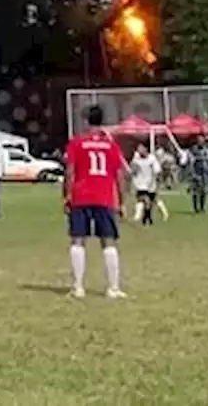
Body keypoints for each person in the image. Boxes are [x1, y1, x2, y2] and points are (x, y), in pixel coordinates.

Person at [64, 105, 130, 299]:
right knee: (108, 241)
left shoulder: (77, 143)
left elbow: (70, 171)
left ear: (86, 121)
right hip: (104, 197)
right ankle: (113, 288)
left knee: (78, 239)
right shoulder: (111, 145)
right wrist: (122, 201)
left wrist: (67, 195)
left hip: (81, 196)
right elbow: (120, 175)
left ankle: (78, 287)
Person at [128, 144, 165, 224]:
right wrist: (133, 171)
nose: (139, 150)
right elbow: (133, 170)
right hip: (140, 184)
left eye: (141, 148)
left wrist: (158, 181)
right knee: (144, 200)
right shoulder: (136, 159)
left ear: (145, 149)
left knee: (151, 201)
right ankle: (144, 217)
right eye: (138, 149)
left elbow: (157, 171)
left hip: (151, 183)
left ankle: (147, 217)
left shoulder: (152, 159)